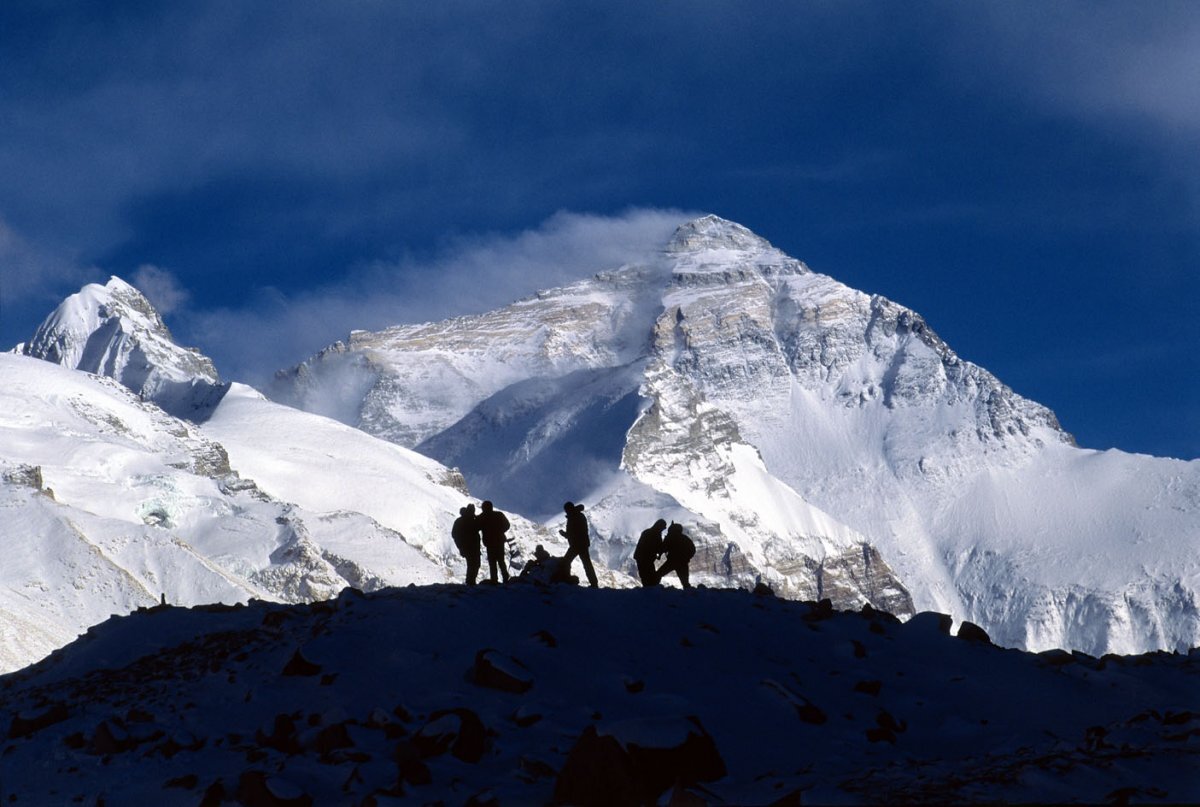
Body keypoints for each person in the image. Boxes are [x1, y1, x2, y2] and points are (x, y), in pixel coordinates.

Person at [559, 501, 599, 588]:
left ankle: (566, 579)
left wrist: (564, 534)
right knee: (586, 564)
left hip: (577, 545)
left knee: (566, 561)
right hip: (582, 544)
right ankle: (594, 583)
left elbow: (574, 533)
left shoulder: (574, 517)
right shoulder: (578, 516)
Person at [478, 500, 511, 583]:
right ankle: (505, 577)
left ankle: (494, 579)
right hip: (499, 541)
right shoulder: (499, 515)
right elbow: (507, 525)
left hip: (489, 542)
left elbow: (475, 526)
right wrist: (500, 531)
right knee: (501, 561)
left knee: (492, 562)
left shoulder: (482, 517)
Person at [656, 522, 696, 589]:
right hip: (683, 563)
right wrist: (686, 558)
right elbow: (692, 549)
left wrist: (659, 555)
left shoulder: (669, 538)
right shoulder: (685, 538)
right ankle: (689, 596)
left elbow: (662, 548)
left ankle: (653, 590)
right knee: (685, 582)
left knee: (658, 575)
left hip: (671, 561)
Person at [451, 504, 481, 586]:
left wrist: (460, 546)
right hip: (471, 547)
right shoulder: (472, 520)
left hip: (467, 547)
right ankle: (470, 582)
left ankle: (470, 581)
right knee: (474, 564)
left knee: (473, 564)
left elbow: (454, 534)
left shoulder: (461, 520)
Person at [634, 519, 667, 587]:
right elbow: (658, 547)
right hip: (645, 558)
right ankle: (649, 591)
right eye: (663, 528)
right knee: (648, 576)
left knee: (645, 576)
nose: (663, 529)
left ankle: (648, 591)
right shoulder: (655, 534)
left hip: (642, 557)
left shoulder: (648, 532)